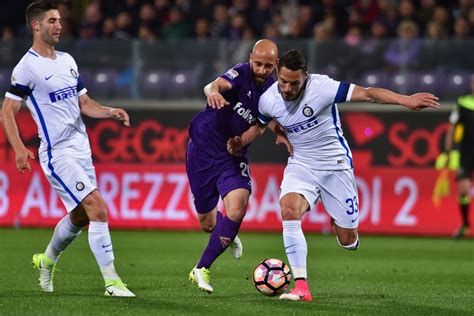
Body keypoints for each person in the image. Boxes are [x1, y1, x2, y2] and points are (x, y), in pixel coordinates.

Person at [227, 49, 439, 301]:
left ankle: (340, 222)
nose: (287, 88)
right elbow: (260, 125)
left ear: (305, 77)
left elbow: (368, 94)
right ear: (277, 74)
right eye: (283, 81)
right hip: (301, 164)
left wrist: (405, 100)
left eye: (294, 83)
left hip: (335, 166)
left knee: (347, 240)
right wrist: (241, 142)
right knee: (288, 210)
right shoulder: (268, 99)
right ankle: (301, 287)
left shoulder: (323, 87)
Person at [1, 1, 134, 297]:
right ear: (36, 26)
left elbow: (84, 103)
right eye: (51, 21)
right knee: (97, 208)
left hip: (81, 150)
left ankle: (46, 260)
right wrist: (19, 148)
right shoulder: (27, 67)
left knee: (82, 216)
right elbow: (7, 110)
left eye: (59, 20)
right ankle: (112, 283)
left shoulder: (67, 60)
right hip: (57, 154)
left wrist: (109, 110)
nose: (58, 26)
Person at [186, 39, 290, 293]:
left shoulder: (274, 92)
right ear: (250, 58)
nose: (262, 69)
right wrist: (212, 93)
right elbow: (215, 85)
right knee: (208, 224)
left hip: (232, 155)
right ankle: (225, 235)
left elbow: (259, 126)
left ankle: (200, 269)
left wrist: (241, 141)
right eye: (258, 63)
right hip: (201, 151)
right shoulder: (241, 72)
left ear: (276, 65)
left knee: (238, 206)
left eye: (268, 66)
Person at [442, 75, 474, 239]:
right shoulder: (462, 103)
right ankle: (465, 225)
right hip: (467, 152)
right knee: (463, 190)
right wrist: (448, 151)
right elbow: (452, 127)